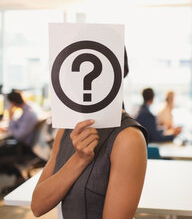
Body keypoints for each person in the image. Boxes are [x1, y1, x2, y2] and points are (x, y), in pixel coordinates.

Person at [31, 48, 149, 219]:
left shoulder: (128, 138)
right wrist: (79, 160)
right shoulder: (67, 127)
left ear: (118, 71)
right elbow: (38, 205)